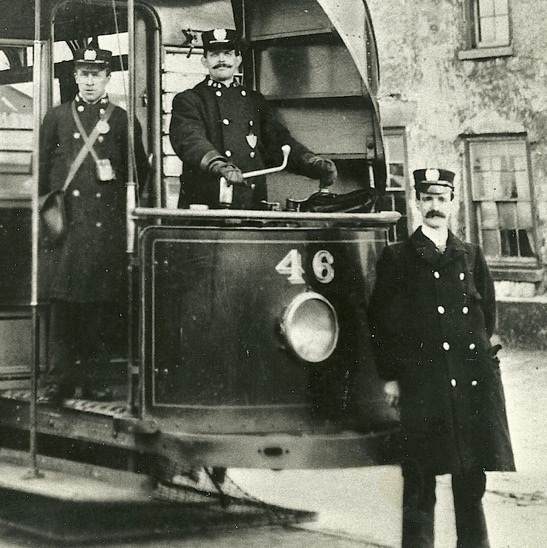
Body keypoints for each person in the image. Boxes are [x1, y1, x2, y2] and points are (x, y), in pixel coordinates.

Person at [368, 168, 515, 548]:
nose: (435, 206)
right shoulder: (397, 257)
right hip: (423, 385)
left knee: (470, 479)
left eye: (441, 199)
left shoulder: (471, 255)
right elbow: (382, 323)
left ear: (452, 204)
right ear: (417, 203)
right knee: (419, 479)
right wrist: (391, 377)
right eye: (428, 199)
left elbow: (487, 317)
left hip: (468, 382)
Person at [38, 46, 149, 405]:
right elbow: (42, 172)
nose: (89, 81)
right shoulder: (56, 118)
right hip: (65, 227)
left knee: (99, 307)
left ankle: (95, 380)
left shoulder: (122, 121)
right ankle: (59, 382)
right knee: (62, 306)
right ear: (74, 77)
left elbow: (139, 173)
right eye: (83, 74)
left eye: (96, 75)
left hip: (104, 230)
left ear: (107, 79)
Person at [169, 28, 338, 209]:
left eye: (227, 54)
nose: (221, 60)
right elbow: (190, 140)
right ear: (204, 61)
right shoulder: (190, 100)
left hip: (251, 201)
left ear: (238, 60)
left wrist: (311, 162)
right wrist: (218, 165)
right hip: (207, 203)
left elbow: (278, 141)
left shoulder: (254, 100)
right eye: (214, 54)